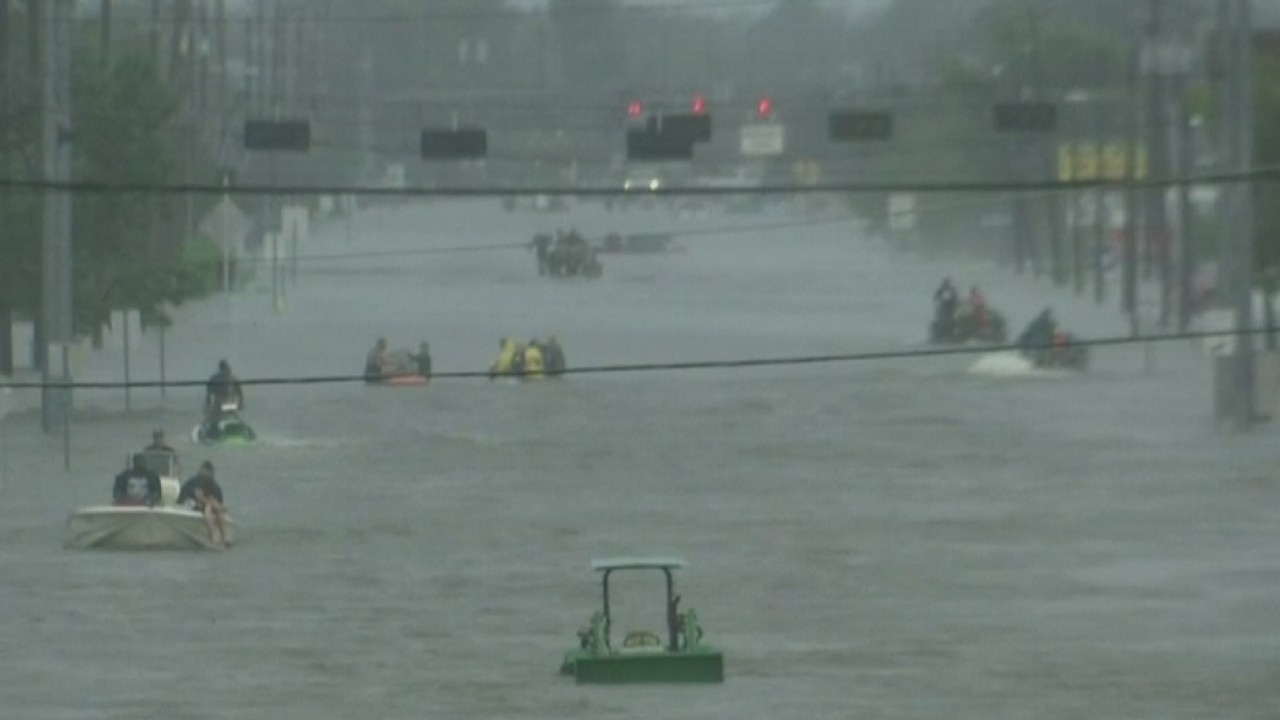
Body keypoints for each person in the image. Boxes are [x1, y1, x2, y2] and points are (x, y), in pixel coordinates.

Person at [178, 461, 230, 547]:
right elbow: (198, 495)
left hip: (206, 506)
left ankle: (224, 537)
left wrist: (219, 506)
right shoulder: (194, 482)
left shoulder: (215, 487)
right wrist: (213, 504)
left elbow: (216, 501)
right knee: (209, 509)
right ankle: (216, 535)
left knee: (216, 511)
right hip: (188, 503)